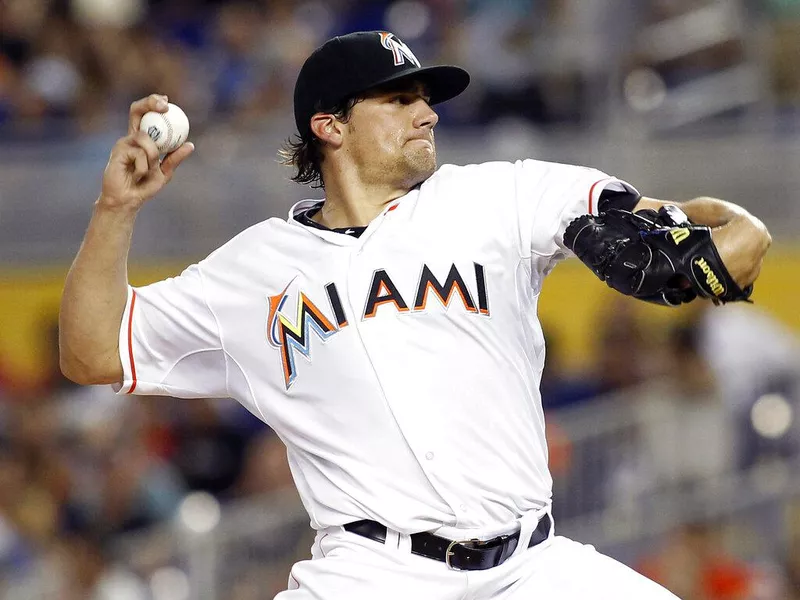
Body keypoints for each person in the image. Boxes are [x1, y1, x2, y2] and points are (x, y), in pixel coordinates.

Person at [59, 30, 771, 599]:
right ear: (329, 125)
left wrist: (731, 234)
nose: (426, 112)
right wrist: (115, 211)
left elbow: (669, 242)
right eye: (398, 100)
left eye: (424, 97)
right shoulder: (250, 272)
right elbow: (93, 352)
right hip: (373, 575)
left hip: (532, 569)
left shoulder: (500, 198)